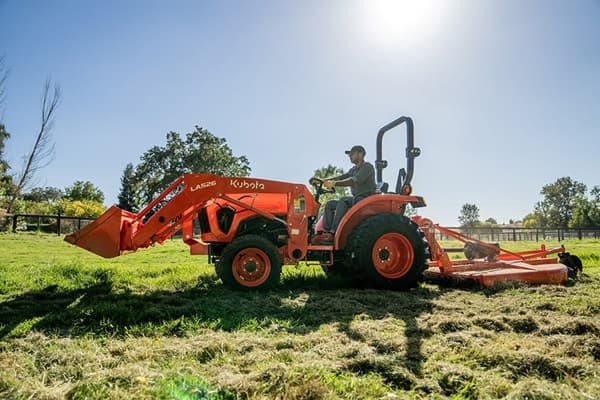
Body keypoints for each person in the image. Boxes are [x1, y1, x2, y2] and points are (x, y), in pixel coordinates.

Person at [311, 145, 376, 244]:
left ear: (361, 154)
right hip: (356, 199)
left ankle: (333, 234)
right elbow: (341, 177)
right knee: (330, 204)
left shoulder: (367, 167)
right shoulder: (353, 170)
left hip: (365, 198)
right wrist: (323, 181)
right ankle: (326, 233)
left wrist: (334, 184)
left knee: (343, 201)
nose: (350, 156)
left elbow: (353, 181)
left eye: (352, 154)